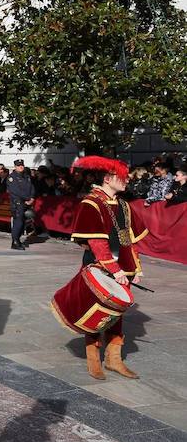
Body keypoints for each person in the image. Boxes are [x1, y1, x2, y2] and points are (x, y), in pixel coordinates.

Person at [70, 156, 148, 380]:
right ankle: (93, 359)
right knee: (96, 312)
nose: (126, 181)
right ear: (107, 178)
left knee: (117, 313)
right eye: (122, 178)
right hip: (98, 267)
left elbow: (128, 240)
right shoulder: (91, 203)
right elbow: (97, 244)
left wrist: (135, 268)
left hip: (122, 269)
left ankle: (114, 359)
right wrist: (115, 270)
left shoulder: (123, 205)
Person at [7, 159, 35, 250]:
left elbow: (32, 188)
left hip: (26, 202)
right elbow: (15, 191)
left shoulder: (26, 176)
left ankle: (17, 240)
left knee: (22, 222)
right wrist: (27, 198)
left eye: (22, 165)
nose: (21, 167)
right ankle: (15, 241)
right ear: (15, 167)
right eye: (19, 165)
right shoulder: (12, 177)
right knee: (18, 222)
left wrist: (32, 198)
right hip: (17, 203)